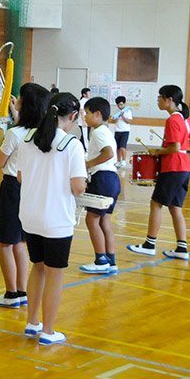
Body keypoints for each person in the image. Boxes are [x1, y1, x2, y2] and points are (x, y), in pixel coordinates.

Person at [17, 92, 87, 345]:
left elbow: (20, 177)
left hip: (29, 215)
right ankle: (48, 331)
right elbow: (78, 187)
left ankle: (32, 322)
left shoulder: (27, 139)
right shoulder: (72, 145)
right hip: (56, 219)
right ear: (72, 116)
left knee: (37, 268)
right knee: (55, 274)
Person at [0, 83, 50, 307]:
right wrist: (16, 116)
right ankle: (21, 290)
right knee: (20, 242)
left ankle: (11, 293)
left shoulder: (13, 134)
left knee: (4, 243)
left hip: (13, 187)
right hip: (31, 188)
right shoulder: (41, 132)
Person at [127, 85, 190, 260]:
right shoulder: (185, 119)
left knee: (156, 204)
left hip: (173, 167)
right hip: (184, 167)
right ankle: (182, 248)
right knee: (175, 207)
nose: (158, 100)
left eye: (160, 97)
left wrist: (157, 151)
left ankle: (149, 244)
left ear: (169, 100)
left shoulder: (173, 120)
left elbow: (174, 147)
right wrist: (183, 147)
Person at [79, 97, 122, 275]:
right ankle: (110, 260)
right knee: (104, 220)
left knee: (92, 219)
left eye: (87, 113)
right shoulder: (105, 130)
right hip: (112, 179)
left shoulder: (98, 132)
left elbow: (109, 153)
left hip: (102, 178)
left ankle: (100, 259)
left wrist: (88, 165)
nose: (84, 116)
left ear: (97, 114)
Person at [109, 95, 133, 168]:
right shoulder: (117, 111)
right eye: (118, 105)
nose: (120, 106)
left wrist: (122, 116)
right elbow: (114, 121)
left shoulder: (128, 111)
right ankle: (118, 161)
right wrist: (117, 117)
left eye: (121, 104)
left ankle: (124, 160)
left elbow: (129, 121)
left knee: (122, 146)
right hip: (117, 131)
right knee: (117, 147)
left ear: (124, 103)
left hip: (125, 131)